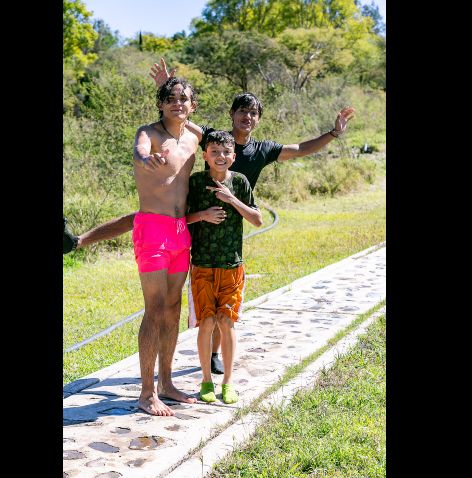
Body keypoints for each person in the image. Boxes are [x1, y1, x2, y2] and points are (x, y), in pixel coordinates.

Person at [71, 57, 355, 375]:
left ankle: (211, 356)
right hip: (190, 214)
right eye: (242, 111)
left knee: (218, 295)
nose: (247, 117)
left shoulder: (261, 150)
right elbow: (178, 117)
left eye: (253, 113)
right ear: (232, 115)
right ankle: (79, 241)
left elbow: (301, 148)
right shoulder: (213, 138)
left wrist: (333, 133)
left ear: (258, 119)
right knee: (143, 219)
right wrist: (167, 86)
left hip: (224, 223)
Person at [131, 77, 200, 416]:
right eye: (170, 98)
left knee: (173, 308)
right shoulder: (149, 133)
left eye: (184, 99)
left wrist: (173, 91)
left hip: (180, 231)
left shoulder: (194, 138)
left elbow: (197, 126)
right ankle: (146, 393)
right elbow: (140, 151)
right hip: (153, 229)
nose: (177, 103)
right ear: (159, 104)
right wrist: (147, 161)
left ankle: (167, 383)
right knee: (155, 309)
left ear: (193, 106)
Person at [186, 130, 262, 404]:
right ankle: (206, 380)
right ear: (205, 155)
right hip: (202, 263)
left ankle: (228, 383)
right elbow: (181, 218)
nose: (220, 157)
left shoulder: (240, 182)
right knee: (206, 322)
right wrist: (203, 215)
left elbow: (257, 220)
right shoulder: (195, 182)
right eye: (214, 152)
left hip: (232, 264)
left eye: (225, 152)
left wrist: (231, 199)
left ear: (234, 156)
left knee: (227, 323)